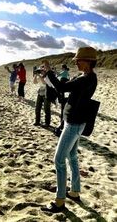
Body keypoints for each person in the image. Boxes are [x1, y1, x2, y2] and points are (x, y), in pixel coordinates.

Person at [40, 47, 98, 213]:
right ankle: (74, 191)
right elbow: (66, 85)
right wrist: (53, 75)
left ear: (87, 61)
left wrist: (49, 71)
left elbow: (61, 87)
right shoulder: (86, 77)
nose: (76, 62)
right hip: (75, 122)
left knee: (58, 160)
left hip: (73, 123)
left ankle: (59, 202)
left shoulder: (86, 78)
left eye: (78, 60)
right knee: (72, 156)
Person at [34, 61, 57, 127]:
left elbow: (44, 83)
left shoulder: (48, 76)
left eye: (42, 70)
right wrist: (36, 75)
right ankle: (37, 121)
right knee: (37, 108)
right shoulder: (40, 76)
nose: (41, 71)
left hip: (47, 93)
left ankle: (47, 123)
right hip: (40, 93)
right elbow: (35, 82)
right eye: (41, 70)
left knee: (46, 109)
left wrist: (40, 76)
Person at [56, 64, 70, 131]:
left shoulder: (64, 72)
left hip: (63, 92)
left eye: (61, 68)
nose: (61, 68)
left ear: (63, 68)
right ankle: (63, 124)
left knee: (63, 109)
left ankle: (62, 125)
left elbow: (58, 75)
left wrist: (54, 71)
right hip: (66, 92)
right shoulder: (67, 73)